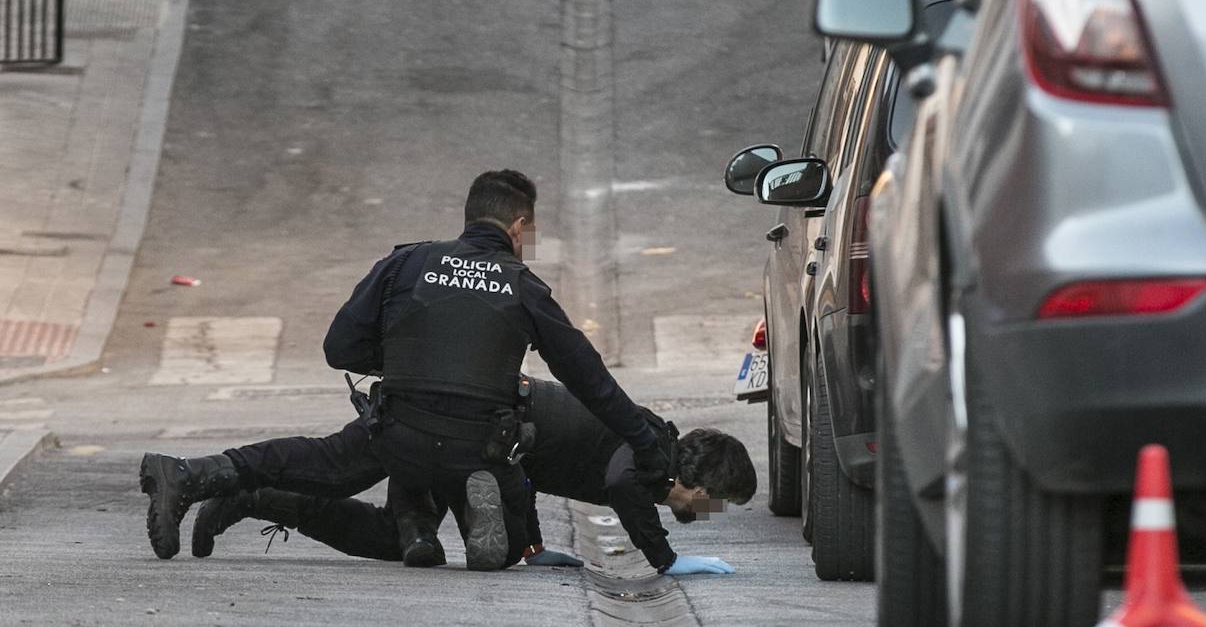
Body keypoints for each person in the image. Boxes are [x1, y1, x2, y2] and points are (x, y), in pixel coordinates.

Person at [140, 170, 668, 566]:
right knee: (500, 536)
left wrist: (409, 360)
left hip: (399, 431)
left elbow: (338, 348)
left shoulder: (406, 263)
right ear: (519, 225)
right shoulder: (523, 287)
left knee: (327, 464)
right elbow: (589, 381)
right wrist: (645, 443)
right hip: (477, 443)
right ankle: (474, 514)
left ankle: (188, 473)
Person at [192, 378, 757, 575]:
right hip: (475, 430)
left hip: (495, 440)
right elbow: (616, 485)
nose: (710, 512)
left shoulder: (650, 444)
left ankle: (254, 496)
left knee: (390, 532)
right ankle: (248, 490)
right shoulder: (649, 452)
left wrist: (534, 544)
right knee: (342, 471)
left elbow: (538, 463)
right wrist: (666, 560)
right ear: (703, 486)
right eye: (717, 502)